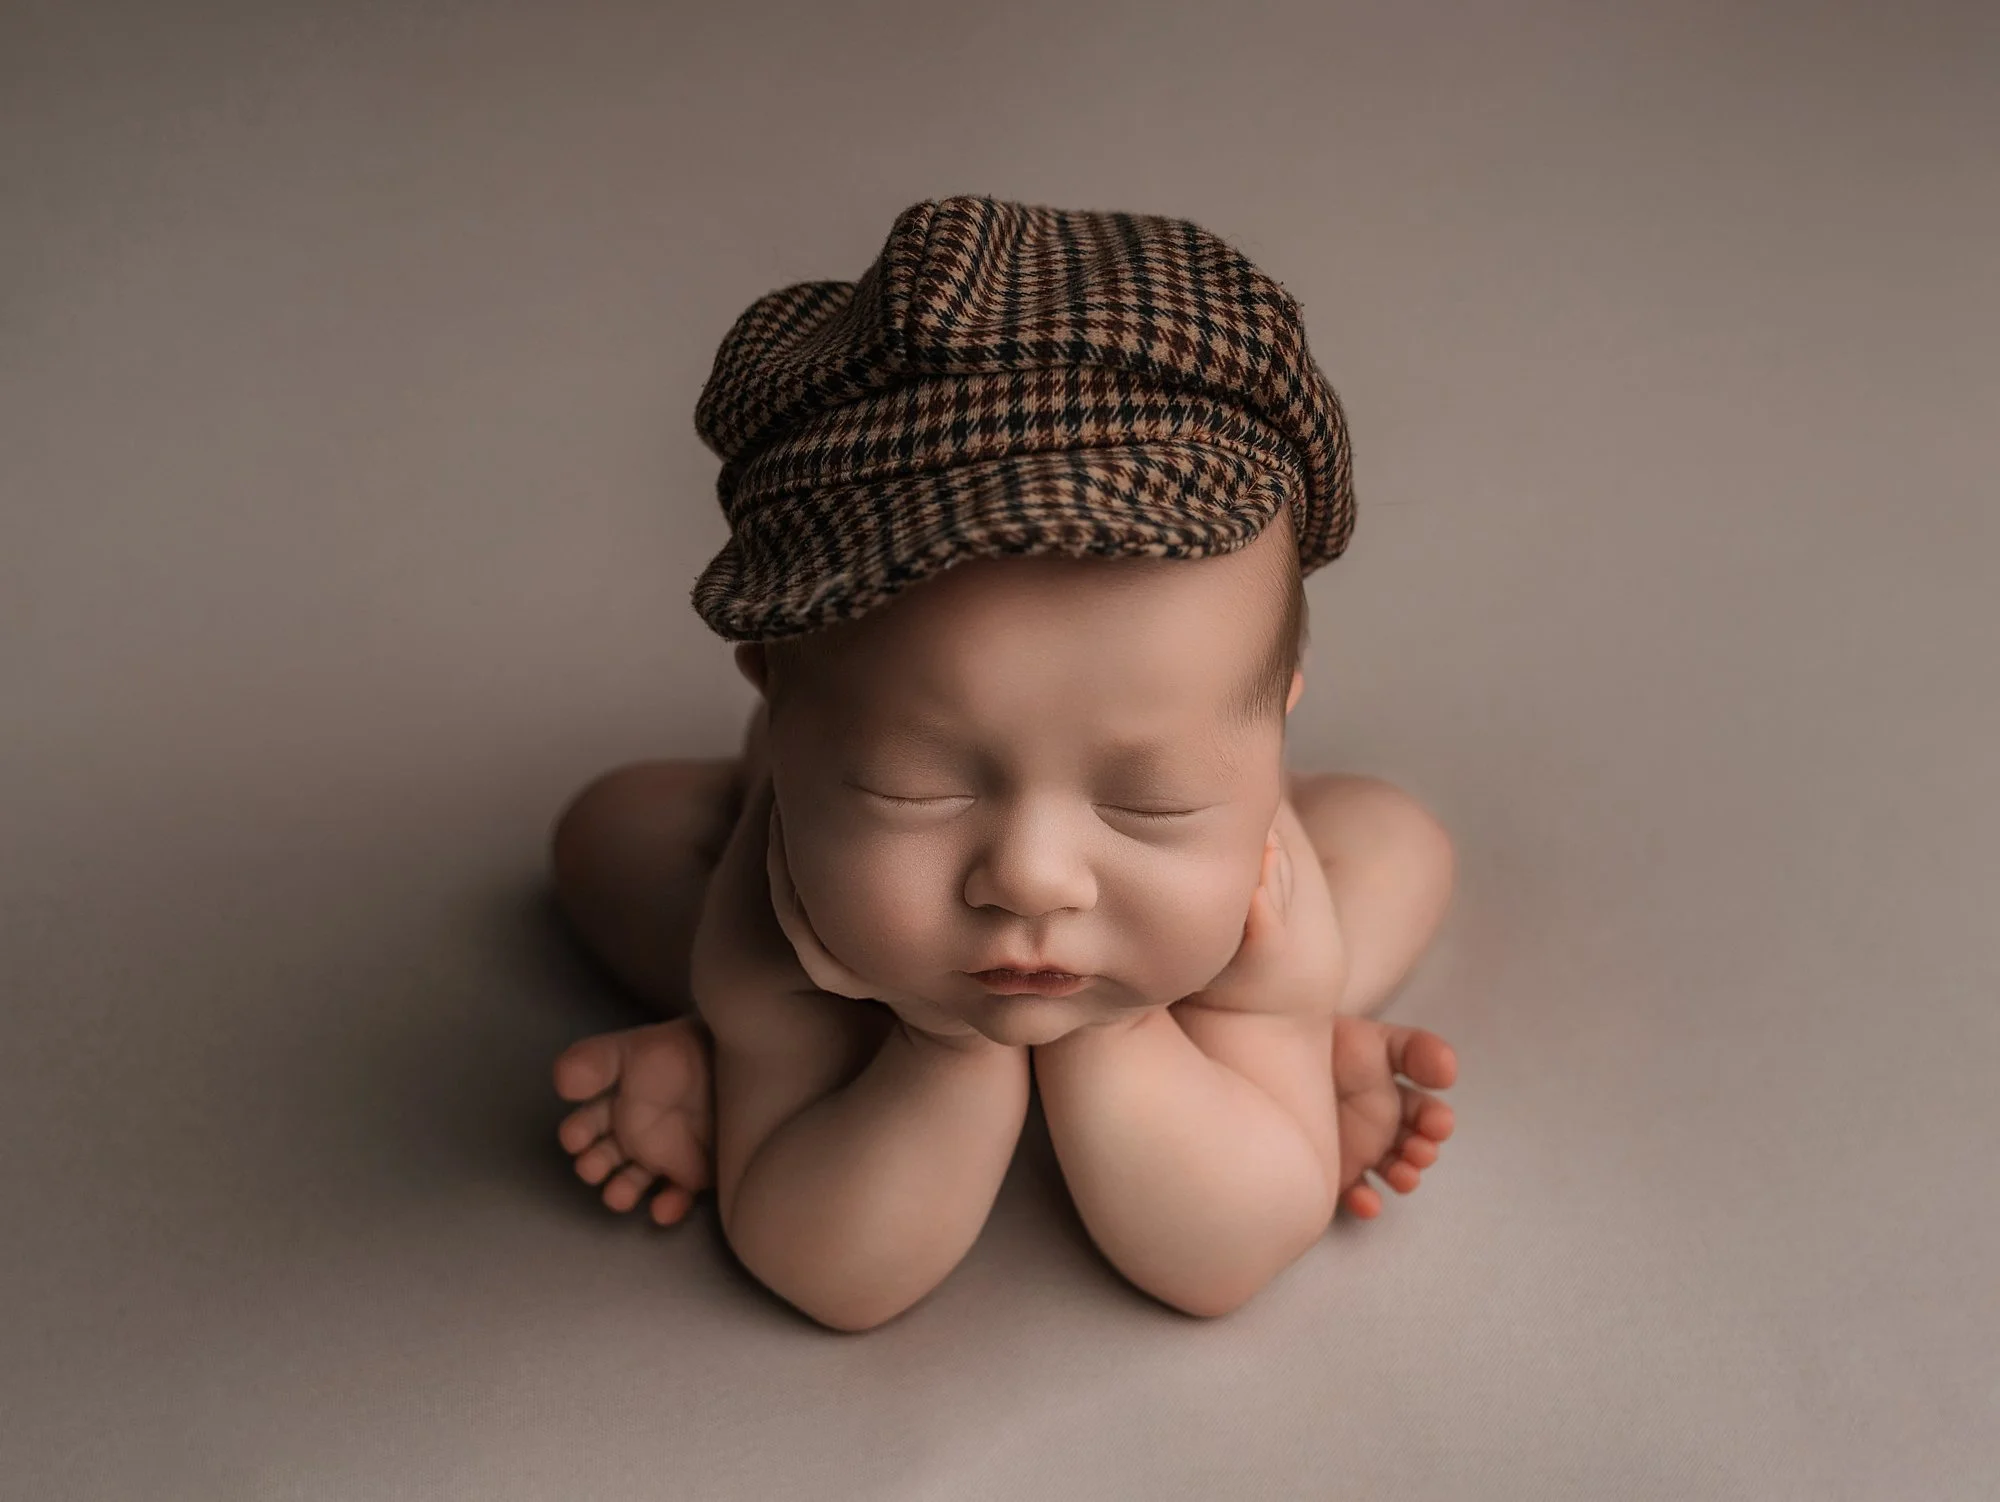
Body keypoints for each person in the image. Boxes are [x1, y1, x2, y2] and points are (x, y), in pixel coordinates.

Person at [547, 195, 1459, 1331]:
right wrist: (939, 1047)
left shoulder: (1259, 890)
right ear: (774, 694)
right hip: (842, 964)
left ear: (1276, 714)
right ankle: (767, 1055)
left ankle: (1272, 1045)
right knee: (608, 832)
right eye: (911, 786)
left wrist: (1122, 1029)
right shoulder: (768, 901)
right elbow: (831, 1275)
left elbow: (1219, 1261)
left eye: (1150, 797)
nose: (1032, 878)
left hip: (1209, 926)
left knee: (1392, 840)